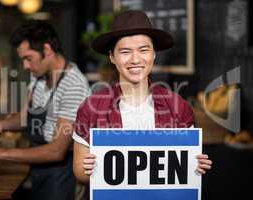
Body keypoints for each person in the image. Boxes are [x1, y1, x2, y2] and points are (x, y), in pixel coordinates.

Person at [72, 10, 212, 186]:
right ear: (112, 57)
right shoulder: (90, 108)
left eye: (143, 50)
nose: (135, 59)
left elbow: (185, 171)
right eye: (125, 52)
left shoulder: (179, 107)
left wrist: (194, 167)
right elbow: (79, 170)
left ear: (154, 54)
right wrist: (92, 171)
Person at [0, 20, 89, 200]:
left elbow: (56, 151)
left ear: (47, 50)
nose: (25, 66)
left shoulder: (73, 85)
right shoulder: (39, 76)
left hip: (61, 177)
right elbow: (25, 116)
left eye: (28, 58)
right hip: (38, 170)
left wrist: (0, 153)